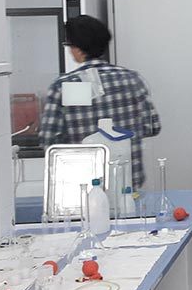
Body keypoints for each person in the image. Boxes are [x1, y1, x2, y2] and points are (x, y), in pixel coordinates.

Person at [40, 15, 161, 189]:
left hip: (84, 188)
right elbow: (152, 127)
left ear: (77, 49)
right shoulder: (131, 79)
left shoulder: (68, 86)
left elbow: (49, 141)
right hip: (128, 184)